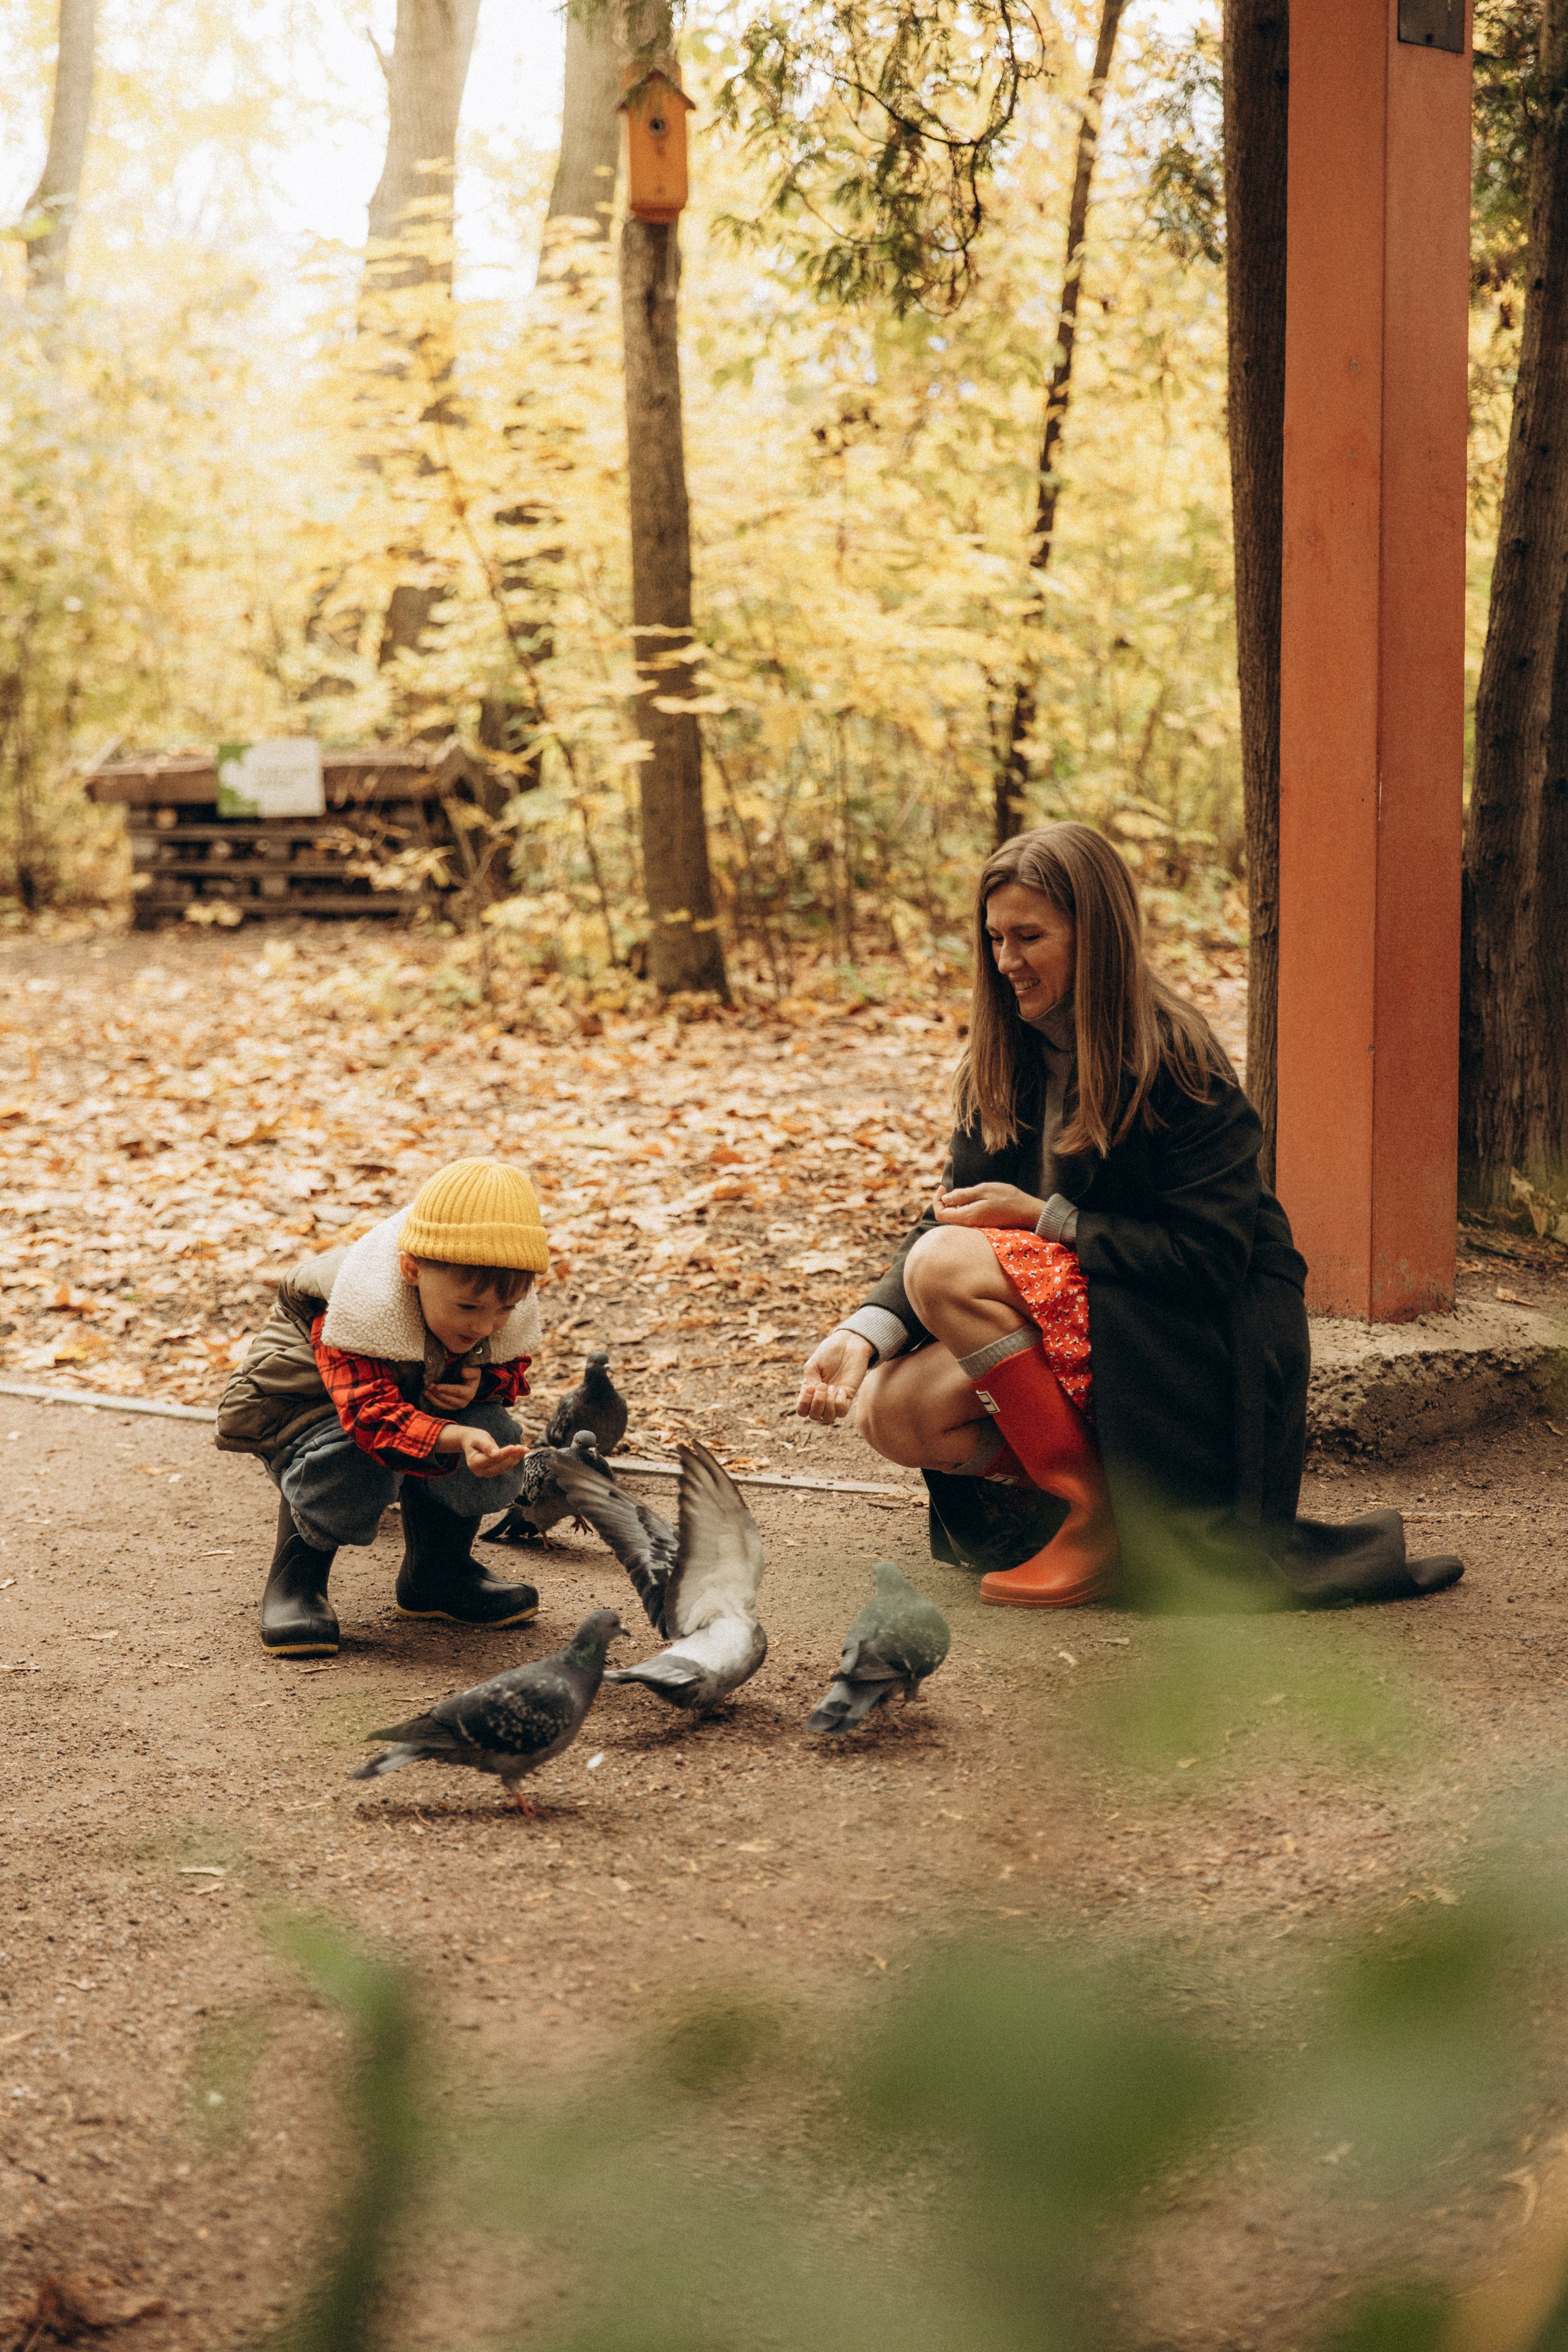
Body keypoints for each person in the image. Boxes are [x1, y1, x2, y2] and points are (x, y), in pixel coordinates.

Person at [796, 824, 1464, 1612]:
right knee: (890, 1410)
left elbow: (1213, 1256)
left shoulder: (1176, 1061)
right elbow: (949, 1212)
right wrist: (860, 1333)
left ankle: (1100, 1517)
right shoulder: (1001, 1059)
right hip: (1086, 1324)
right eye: (996, 939)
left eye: (1030, 937)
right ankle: (1091, 1506)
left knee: (948, 1263)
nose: (1006, 962)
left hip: (1187, 1340)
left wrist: (1047, 1219)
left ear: (1096, 934)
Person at [217, 1157, 548, 1657]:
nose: (485, 1327)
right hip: (304, 1413)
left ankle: (437, 1575)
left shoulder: (487, 1303)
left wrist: (482, 1379)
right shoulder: (354, 1302)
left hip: (405, 1403)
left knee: (489, 1424)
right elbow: (370, 1415)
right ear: (412, 1269)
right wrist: (452, 1437)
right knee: (351, 1458)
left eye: (504, 1310)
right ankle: (296, 1584)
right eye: (468, 1309)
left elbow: (511, 1363)